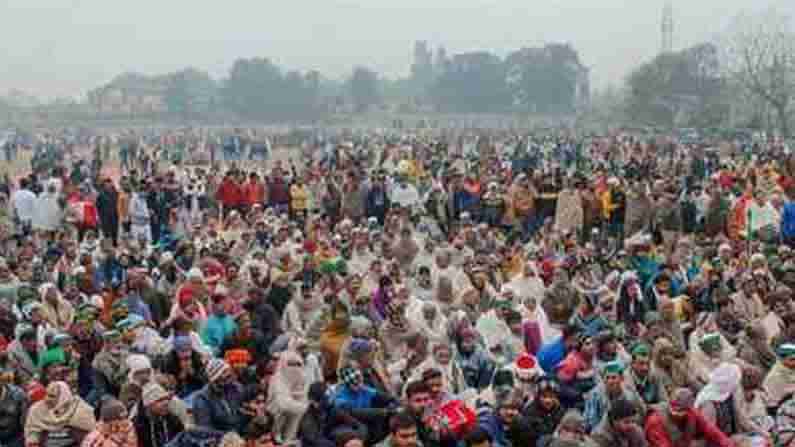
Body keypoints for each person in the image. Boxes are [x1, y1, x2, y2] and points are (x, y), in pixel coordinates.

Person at [645, 387, 734, 447]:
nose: (676, 414)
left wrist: (728, 444)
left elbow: (710, 429)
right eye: (674, 410)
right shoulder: (655, 421)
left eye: (681, 411)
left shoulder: (692, 413)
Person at [24, 381, 96, 447]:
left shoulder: (79, 409)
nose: (46, 399)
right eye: (46, 394)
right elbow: (32, 433)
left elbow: (91, 436)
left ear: (63, 397)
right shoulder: (37, 409)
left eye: (52, 396)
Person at [193, 358, 244, 432]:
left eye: (229, 373)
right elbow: (205, 431)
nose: (231, 378)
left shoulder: (235, 388)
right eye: (226, 375)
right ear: (215, 379)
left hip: (240, 434)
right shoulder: (202, 399)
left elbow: (242, 413)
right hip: (219, 439)